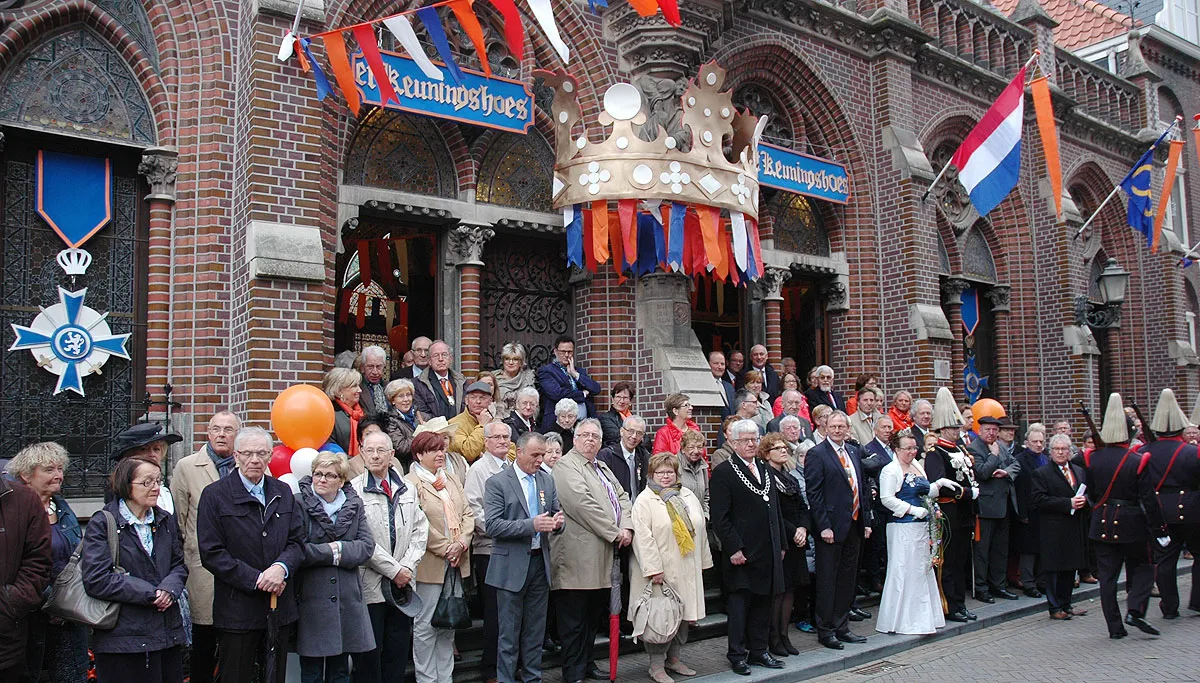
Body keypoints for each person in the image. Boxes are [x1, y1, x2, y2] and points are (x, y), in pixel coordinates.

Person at [198, 426, 305, 683]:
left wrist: (281, 568)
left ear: (270, 456)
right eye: (247, 453)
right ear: (236, 456)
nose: (254, 460)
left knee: (274, 676)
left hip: (278, 607)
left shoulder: (283, 492)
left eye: (261, 453)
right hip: (237, 610)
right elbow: (211, 552)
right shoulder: (215, 495)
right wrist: (256, 579)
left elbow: (297, 542)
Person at [82, 456, 188, 682]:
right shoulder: (104, 522)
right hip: (122, 638)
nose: (155, 488)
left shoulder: (165, 520)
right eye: (147, 482)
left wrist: (169, 590)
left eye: (158, 481)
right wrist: (150, 594)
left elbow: (178, 565)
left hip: (166, 633)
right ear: (126, 484)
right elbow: (97, 578)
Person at [551, 418, 633, 683]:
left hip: (604, 557)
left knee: (591, 617)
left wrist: (627, 526)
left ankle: (587, 663)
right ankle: (573, 671)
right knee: (574, 620)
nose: (590, 440)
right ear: (574, 439)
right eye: (584, 435)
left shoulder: (602, 466)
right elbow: (581, 505)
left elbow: (623, 497)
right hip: (577, 557)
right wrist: (614, 531)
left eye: (595, 436)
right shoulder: (566, 466)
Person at [484, 431, 565, 683]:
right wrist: (531, 525)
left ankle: (533, 678)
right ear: (519, 452)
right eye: (535, 455)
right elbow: (492, 526)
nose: (540, 460)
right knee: (509, 633)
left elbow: (555, 513)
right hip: (510, 566)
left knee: (535, 631)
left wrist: (558, 523)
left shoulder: (546, 480)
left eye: (543, 454)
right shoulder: (498, 482)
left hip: (540, 563)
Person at [351, 430, 429, 683]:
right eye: (369, 450)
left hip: (402, 587)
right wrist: (394, 570)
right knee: (369, 655)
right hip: (371, 585)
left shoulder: (408, 489)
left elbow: (420, 530)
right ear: (362, 453)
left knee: (397, 650)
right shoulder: (354, 491)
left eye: (381, 450)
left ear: (392, 455)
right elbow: (363, 540)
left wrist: (406, 567)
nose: (375, 456)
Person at [170, 410, 241, 683]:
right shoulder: (187, 467)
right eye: (216, 429)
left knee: (235, 643)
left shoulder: (248, 464)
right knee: (204, 640)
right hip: (202, 567)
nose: (221, 435)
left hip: (241, 567)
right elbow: (178, 520)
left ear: (238, 435)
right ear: (208, 433)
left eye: (228, 429)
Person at [6, 443, 85, 683]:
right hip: (30, 611)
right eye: (49, 470)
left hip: (69, 611)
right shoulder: (14, 511)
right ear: (26, 475)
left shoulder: (62, 508)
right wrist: (47, 600)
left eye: (60, 469)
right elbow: (22, 563)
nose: (58, 475)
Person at [710, 420, 784, 674]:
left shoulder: (764, 467)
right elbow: (720, 517)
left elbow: (774, 509)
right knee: (740, 606)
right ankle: (737, 654)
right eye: (745, 440)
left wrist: (781, 543)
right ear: (733, 443)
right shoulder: (723, 472)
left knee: (763, 603)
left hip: (766, 549)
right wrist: (734, 548)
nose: (751, 444)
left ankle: (759, 650)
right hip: (741, 552)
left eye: (754, 439)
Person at [630, 453, 711, 683]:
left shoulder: (687, 495)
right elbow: (642, 538)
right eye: (660, 472)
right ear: (651, 474)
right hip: (661, 573)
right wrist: (654, 569)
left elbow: (700, 529)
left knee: (683, 615)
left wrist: (704, 561)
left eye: (670, 472)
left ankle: (674, 659)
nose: (665, 476)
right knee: (661, 618)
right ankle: (656, 665)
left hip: (687, 566)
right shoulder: (645, 501)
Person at [295, 452, 376, 682]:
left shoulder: (354, 504)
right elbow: (298, 549)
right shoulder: (299, 503)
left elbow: (366, 547)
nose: (321, 479)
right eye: (317, 474)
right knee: (311, 672)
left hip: (346, 599)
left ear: (341, 481)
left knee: (340, 671)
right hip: (312, 597)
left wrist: (337, 549)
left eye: (329, 475)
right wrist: (333, 553)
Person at [1085, 393, 1159, 639]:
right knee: (1144, 567)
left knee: (1107, 579)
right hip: (1131, 522)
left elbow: (1091, 493)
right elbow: (1148, 499)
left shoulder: (1092, 458)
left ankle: (1115, 628)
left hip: (1102, 521)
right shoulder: (1138, 460)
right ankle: (1135, 609)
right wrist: (1160, 528)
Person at [405, 431, 475, 683]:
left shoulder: (451, 479)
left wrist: (462, 543)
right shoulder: (411, 483)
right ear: (419, 454)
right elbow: (417, 522)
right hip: (430, 564)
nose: (440, 454)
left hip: (456, 561)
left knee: (448, 625)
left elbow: (467, 514)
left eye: (442, 449)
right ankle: (426, 678)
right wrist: (447, 548)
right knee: (425, 626)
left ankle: (445, 678)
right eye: (434, 450)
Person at [805, 411, 873, 650]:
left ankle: (842, 626)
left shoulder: (853, 451)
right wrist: (823, 526)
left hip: (854, 525)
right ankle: (826, 630)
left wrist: (866, 521)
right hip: (830, 529)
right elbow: (814, 493)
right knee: (828, 581)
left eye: (841, 426)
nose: (836, 430)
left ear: (847, 428)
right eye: (832, 426)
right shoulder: (817, 454)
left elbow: (862, 488)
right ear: (825, 427)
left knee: (847, 579)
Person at [876, 432, 954, 635]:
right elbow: (886, 499)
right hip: (903, 526)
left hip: (922, 526)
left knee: (921, 569)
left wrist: (939, 485)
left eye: (914, 448)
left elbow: (925, 491)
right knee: (904, 568)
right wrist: (911, 510)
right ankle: (903, 620)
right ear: (897, 450)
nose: (912, 452)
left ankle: (924, 616)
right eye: (907, 449)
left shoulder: (917, 465)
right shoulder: (890, 470)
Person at [1138, 388, 1200, 619]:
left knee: (1165, 560)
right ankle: (1197, 602)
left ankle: (1169, 607)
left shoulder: (1143, 450)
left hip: (1159, 511)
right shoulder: (1193, 452)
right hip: (1192, 509)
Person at [921, 388, 979, 624]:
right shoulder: (936, 452)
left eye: (958, 427)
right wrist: (966, 493)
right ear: (944, 428)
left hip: (965, 514)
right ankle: (949, 605)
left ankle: (960, 603)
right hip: (949, 514)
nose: (957, 430)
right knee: (949, 562)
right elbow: (939, 484)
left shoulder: (961, 449)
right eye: (954, 427)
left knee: (961, 561)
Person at [464, 421, 515, 683]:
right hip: (490, 548)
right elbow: (473, 509)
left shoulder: (512, 467)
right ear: (485, 442)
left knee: (512, 613)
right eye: (496, 437)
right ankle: (491, 669)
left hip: (515, 548)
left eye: (506, 437)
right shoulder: (478, 470)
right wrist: (503, 529)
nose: (503, 441)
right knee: (495, 613)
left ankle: (511, 666)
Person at [759, 434, 809, 658]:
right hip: (781, 539)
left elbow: (802, 507)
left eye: (784, 448)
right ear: (766, 453)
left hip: (797, 538)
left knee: (791, 589)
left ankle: (784, 634)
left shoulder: (790, 478)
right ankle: (773, 638)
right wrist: (793, 531)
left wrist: (803, 528)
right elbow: (774, 512)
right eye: (777, 448)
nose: (783, 451)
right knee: (778, 591)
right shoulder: (765, 478)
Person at [1031, 434, 1089, 622]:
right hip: (1053, 528)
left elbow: (1089, 493)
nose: (1061, 452)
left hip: (1074, 526)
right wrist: (1067, 503)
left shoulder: (1078, 471)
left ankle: (1066, 603)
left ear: (1070, 451)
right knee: (1054, 569)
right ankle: (1054, 607)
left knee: (1070, 568)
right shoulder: (1042, 473)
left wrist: (1084, 501)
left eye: (1064, 449)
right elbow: (1039, 500)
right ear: (1051, 451)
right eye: (1057, 449)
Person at [968, 415, 1021, 603]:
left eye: (994, 430)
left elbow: (1016, 464)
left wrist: (1006, 472)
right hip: (985, 508)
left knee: (1000, 550)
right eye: (987, 429)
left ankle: (999, 585)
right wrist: (993, 456)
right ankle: (981, 588)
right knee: (982, 551)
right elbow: (982, 472)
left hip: (1004, 506)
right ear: (980, 430)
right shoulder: (973, 448)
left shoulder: (1000, 446)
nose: (991, 433)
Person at [109, 422, 183, 512]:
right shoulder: (119, 489)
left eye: (156, 449)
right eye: (144, 449)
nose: (152, 454)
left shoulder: (165, 491)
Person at [859, 415, 896, 596]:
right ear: (875, 430)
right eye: (884, 427)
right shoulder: (869, 449)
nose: (887, 431)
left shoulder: (895, 449)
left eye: (890, 427)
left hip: (895, 503)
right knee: (877, 544)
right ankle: (875, 580)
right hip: (878, 503)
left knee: (891, 544)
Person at [538, 335, 602, 431]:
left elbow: (596, 389)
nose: (567, 355)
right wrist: (583, 394)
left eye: (570, 352)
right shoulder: (546, 371)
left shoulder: (579, 371)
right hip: (558, 425)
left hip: (583, 424)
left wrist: (575, 374)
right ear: (555, 351)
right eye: (563, 352)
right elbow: (557, 393)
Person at [1014, 426, 1049, 597]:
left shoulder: (1046, 459)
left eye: (1041, 441)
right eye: (1035, 441)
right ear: (1027, 443)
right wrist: (1022, 514)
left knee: (1043, 547)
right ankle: (1028, 583)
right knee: (1028, 550)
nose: (1038, 444)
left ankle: (1042, 581)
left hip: (1044, 510)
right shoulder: (1019, 460)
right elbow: (1019, 489)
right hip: (1028, 511)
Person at [449, 381, 501, 464]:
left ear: (490, 401)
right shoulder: (454, 424)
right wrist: (482, 426)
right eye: (473, 397)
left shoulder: (495, 422)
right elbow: (468, 453)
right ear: (466, 400)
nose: (478, 401)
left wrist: (489, 457)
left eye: (483, 398)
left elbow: (511, 451)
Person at [599, 415, 651, 498]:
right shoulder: (607, 456)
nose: (634, 436)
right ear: (622, 431)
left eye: (639, 433)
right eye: (630, 431)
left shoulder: (644, 457)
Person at [414, 340, 467, 421]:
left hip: (459, 427)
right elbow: (422, 413)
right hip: (434, 427)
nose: (441, 359)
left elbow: (466, 408)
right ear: (429, 361)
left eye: (444, 355)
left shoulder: (461, 381)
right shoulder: (418, 384)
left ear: (451, 359)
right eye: (436, 355)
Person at [383, 378, 426, 472]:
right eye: (401, 396)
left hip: (426, 464)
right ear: (392, 400)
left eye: (408, 395)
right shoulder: (390, 421)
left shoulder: (421, 416)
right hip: (407, 468)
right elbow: (401, 447)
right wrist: (421, 435)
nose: (406, 399)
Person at [327, 367, 366, 458]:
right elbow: (329, 446)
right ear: (339, 390)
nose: (359, 390)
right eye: (354, 386)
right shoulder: (329, 413)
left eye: (358, 385)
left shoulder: (360, 411)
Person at [653, 393, 705, 459]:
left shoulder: (695, 430)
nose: (691, 408)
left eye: (690, 405)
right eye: (686, 405)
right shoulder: (663, 433)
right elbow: (659, 460)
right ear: (675, 411)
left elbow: (703, 458)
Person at [493, 342, 536, 410]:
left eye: (515, 359)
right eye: (507, 359)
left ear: (521, 362)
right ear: (503, 361)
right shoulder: (493, 378)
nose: (511, 362)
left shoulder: (527, 379)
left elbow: (533, 403)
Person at [678, 429, 709, 518]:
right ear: (683, 449)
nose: (696, 451)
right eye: (691, 447)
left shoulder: (703, 467)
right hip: (681, 519)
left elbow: (706, 494)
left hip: (700, 519)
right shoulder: (674, 465)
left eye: (699, 447)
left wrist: (705, 515)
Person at [599, 381, 636, 448]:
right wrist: (638, 439)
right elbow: (617, 439)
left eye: (625, 398)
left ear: (630, 401)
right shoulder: (605, 418)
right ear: (612, 399)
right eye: (618, 397)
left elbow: (647, 442)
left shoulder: (635, 419)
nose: (621, 401)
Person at [360, 345, 391, 419]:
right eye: (370, 367)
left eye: (378, 367)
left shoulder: (389, 387)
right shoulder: (357, 388)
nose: (375, 372)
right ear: (363, 367)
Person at [709, 352, 737, 424]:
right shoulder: (706, 385)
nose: (720, 367)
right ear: (708, 365)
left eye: (722, 364)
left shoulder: (729, 386)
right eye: (716, 363)